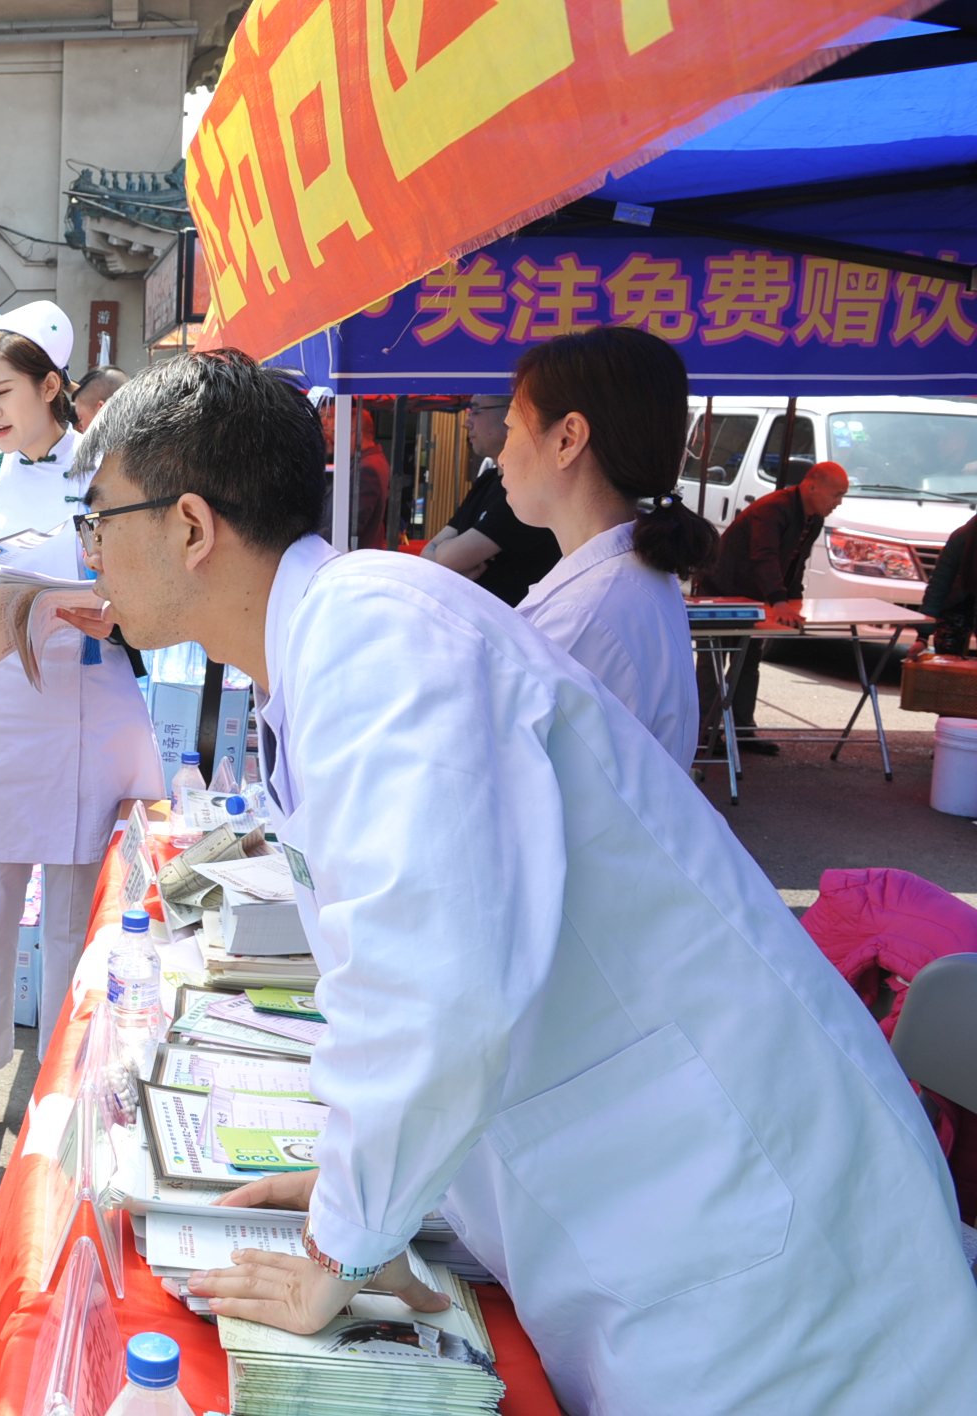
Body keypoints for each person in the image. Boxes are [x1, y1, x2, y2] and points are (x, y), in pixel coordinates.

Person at [76, 349, 977, 1415]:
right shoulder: (336, 639)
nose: (90, 551)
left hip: (749, 1248)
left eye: (99, 520)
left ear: (190, 526)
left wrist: (341, 1242)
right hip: (642, 1188)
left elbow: (431, 983)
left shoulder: (376, 637)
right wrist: (363, 1187)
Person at [0, 302, 162, 1145]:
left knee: (73, 903)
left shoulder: (109, 468)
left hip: (90, 699)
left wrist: (121, 617)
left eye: (4, 393)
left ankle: (63, 1075)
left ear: (50, 387)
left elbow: (149, 592)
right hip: (3, 703)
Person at [500, 328, 717, 768]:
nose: (502, 456)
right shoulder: (622, 580)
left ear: (567, 440)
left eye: (511, 428)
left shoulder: (583, 618)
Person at [696, 460, 849, 754]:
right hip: (720, 590)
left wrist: (793, 601)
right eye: (836, 494)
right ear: (812, 486)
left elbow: (795, 562)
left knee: (747, 661)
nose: (838, 502)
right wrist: (778, 600)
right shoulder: (774, 508)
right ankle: (705, 733)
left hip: (753, 598)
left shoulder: (813, 519)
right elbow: (764, 555)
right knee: (712, 662)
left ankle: (742, 731)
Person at [423, 394, 560, 605]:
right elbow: (429, 554)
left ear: (509, 416)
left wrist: (446, 555)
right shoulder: (487, 479)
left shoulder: (528, 489)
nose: (467, 423)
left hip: (508, 620)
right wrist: (449, 559)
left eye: (476, 411)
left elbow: (447, 557)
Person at [322, 400, 392, 551]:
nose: (334, 439)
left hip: (350, 554)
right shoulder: (370, 461)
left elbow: (348, 524)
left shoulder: (367, 468)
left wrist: (311, 539)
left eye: (337, 433)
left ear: (355, 433)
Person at [918, 511, 977, 654]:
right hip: (958, 612)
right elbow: (939, 585)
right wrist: (923, 637)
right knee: (948, 659)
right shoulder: (963, 535)